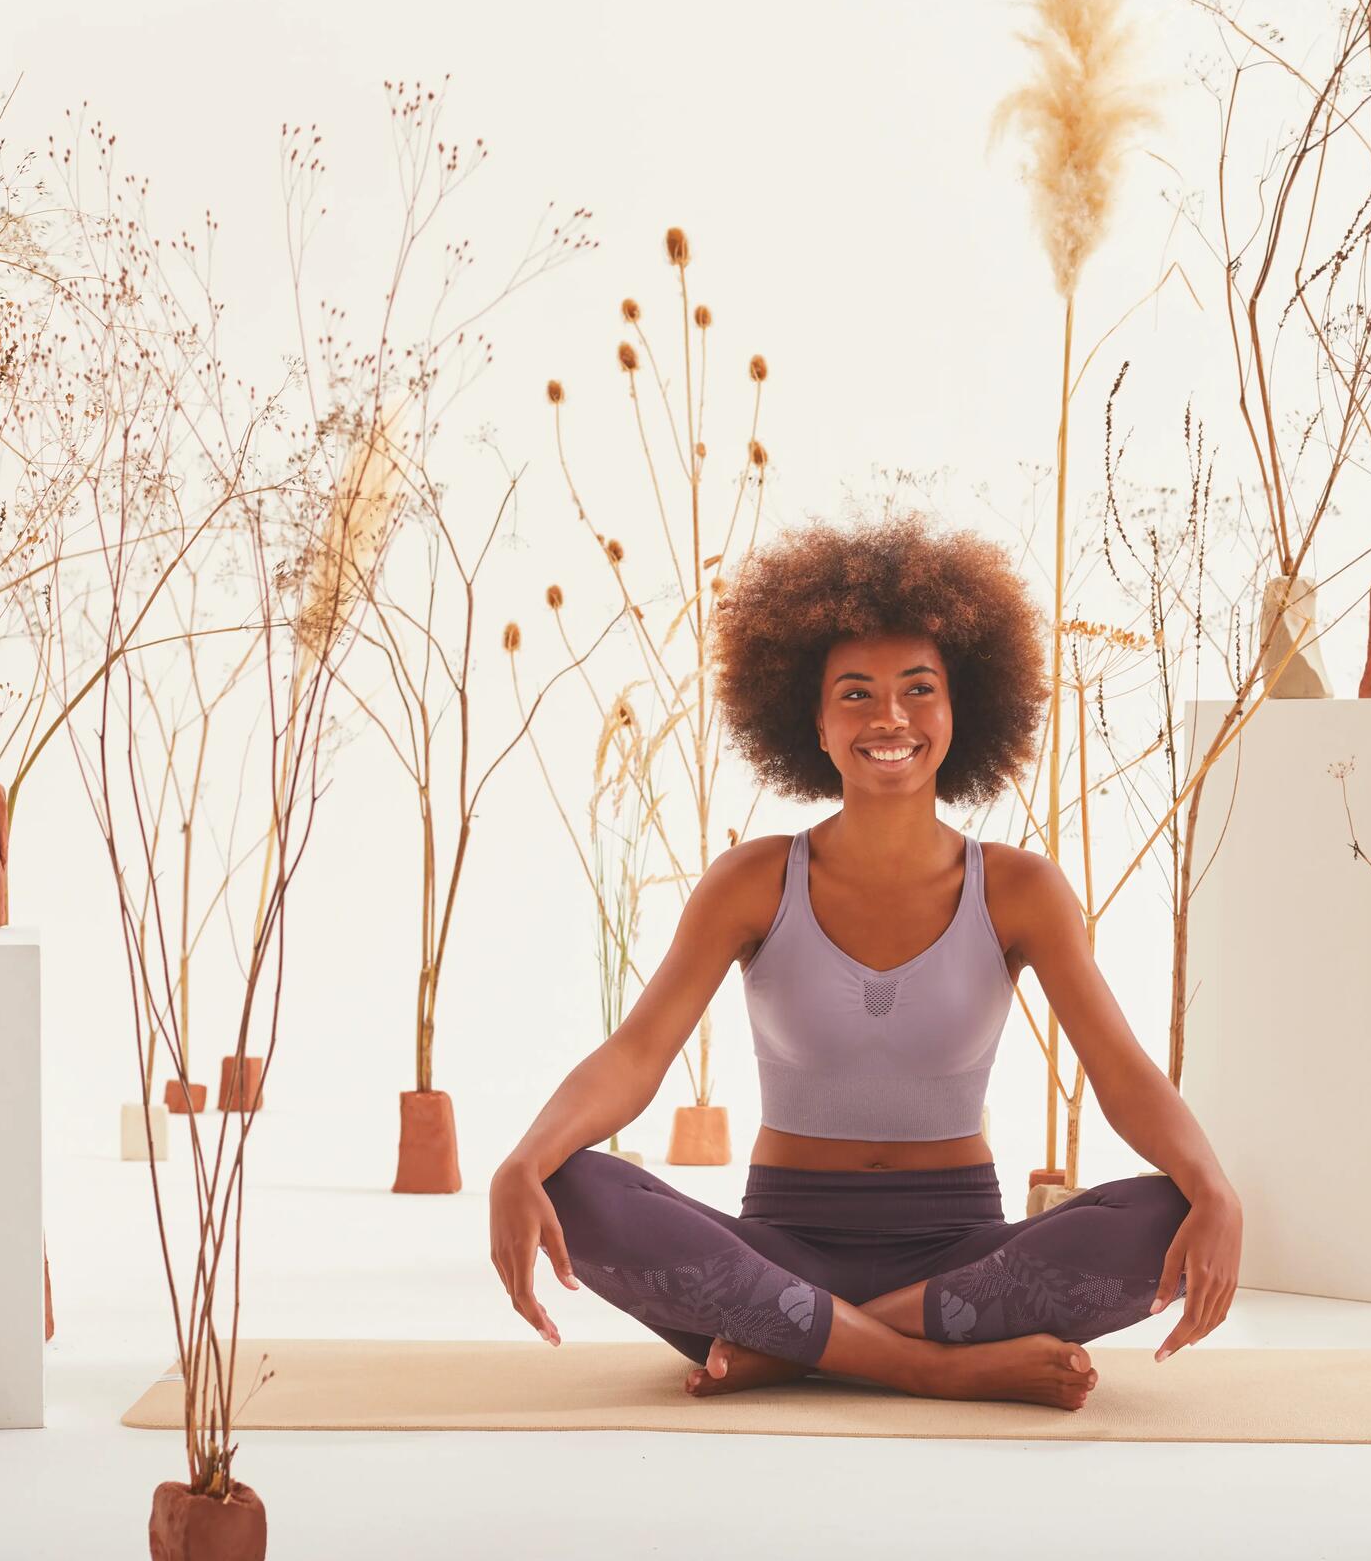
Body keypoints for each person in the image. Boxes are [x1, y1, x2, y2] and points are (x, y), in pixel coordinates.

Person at [489, 512, 1243, 1409]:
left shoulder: (1021, 889)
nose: (890, 717)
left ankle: (800, 1342)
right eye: (855, 693)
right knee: (570, 1183)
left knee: (1164, 1211)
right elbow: (635, 1055)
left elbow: (1121, 1075)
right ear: (810, 719)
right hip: (777, 1251)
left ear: (962, 708)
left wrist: (1215, 1188)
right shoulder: (753, 880)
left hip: (961, 1257)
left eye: (918, 689)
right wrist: (523, 1160)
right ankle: (932, 1362)